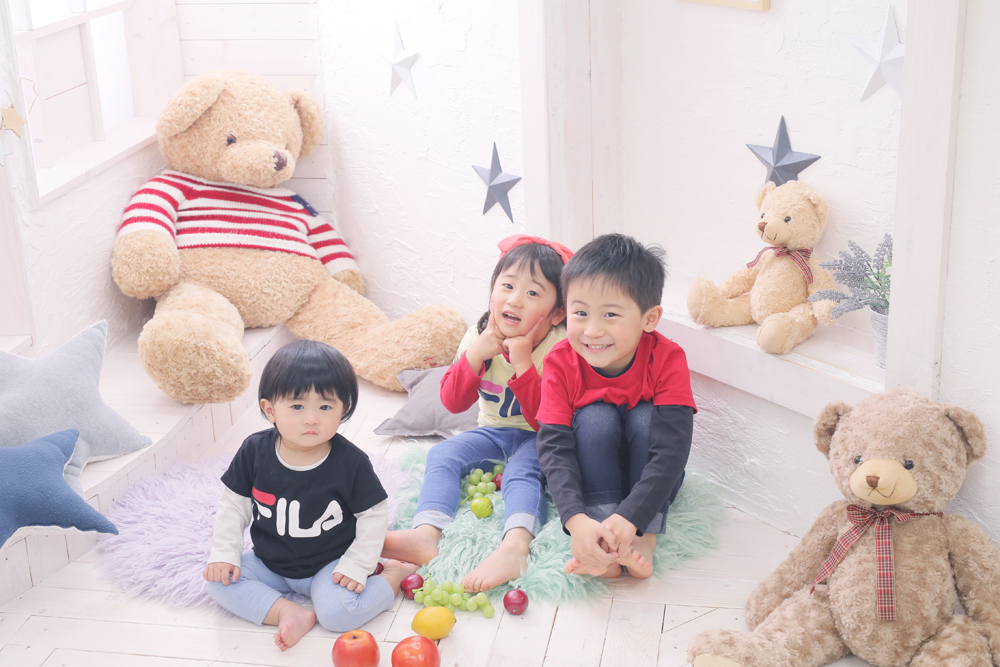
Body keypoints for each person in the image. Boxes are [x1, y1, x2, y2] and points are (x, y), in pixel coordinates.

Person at [382, 235, 573, 592]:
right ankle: (426, 533)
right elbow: (454, 403)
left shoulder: (559, 348)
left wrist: (523, 366)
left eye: (533, 293)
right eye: (507, 286)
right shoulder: (477, 337)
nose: (514, 299)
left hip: (543, 438)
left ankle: (515, 547)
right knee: (442, 454)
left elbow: (545, 421)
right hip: (493, 432)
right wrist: (475, 356)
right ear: (492, 291)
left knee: (521, 473)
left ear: (557, 313)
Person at [203, 340, 418, 651]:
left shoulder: (351, 463)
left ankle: (394, 575)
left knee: (339, 614)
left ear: (344, 410)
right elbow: (233, 506)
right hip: (268, 562)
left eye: (325, 407)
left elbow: (373, 515)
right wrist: (224, 553)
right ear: (270, 410)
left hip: (329, 564)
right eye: (297, 406)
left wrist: (358, 564)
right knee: (217, 580)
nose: (311, 419)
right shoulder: (254, 451)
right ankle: (287, 611)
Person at [536, 233, 696, 579]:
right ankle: (601, 542)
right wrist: (576, 520)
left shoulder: (667, 358)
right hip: (594, 472)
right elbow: (554, 447)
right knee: (595, 418)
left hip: (650, 478)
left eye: (610, 314)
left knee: (645, 418)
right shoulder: (560, 361)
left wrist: (632, 518)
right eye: (580, 313)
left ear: (649, 319)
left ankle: (643, 539)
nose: (592, 330)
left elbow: (672, 451)